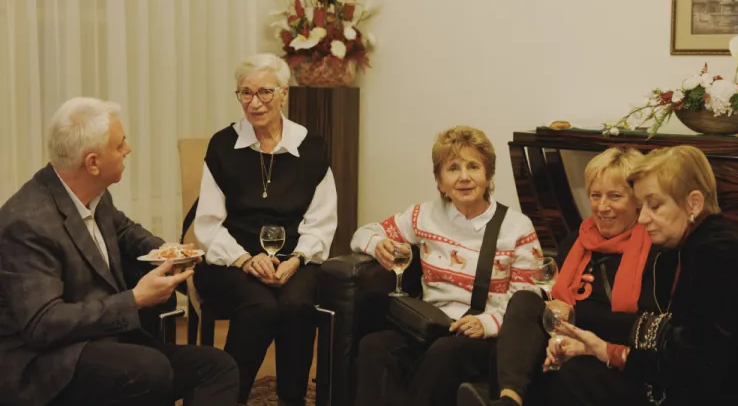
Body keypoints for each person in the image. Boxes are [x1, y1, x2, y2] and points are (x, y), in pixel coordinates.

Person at [0, 97, 239, 406]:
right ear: (92, 163)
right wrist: (135, 299)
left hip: (104, 340)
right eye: (119, 144)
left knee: (218, 367)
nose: (128, 149)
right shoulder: (27, 223)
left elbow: (125, 231)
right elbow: (43, 324)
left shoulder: (93, 194)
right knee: (149, 370)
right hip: (48, 364)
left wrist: (166, 251)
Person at [545, 145, 738, 405]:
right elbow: (676, 340)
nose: (642, 219)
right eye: (642, 207)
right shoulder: (698, 243)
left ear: (694, 203)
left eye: (655, 206)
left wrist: (608, 352)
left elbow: (695, 371)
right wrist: (599, 349)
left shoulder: (717, 253)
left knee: (573, 379)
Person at [458, 147, 679, 406]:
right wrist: (560, 336)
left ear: (637, 200)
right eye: (595, 195)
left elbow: (645, 327)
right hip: (565, 339)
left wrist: (574, 318)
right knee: (524, 302)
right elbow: (553, 303)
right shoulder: (576, 241)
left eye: (615, 196)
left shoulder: (656, 250)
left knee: (568, 373)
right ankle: (509, 400)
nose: (602, 207)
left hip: (616, 353)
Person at [351, 126, 543, 406]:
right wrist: (377, 243)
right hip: (431, 324)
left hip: (485, 334)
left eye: (473, 167)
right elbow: (362, 233)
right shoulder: (423, 215)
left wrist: (487, 323)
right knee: (375, 346)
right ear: (440, 182)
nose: (464, 177)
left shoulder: (517, 227)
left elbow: (528, 298)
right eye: (453, 168)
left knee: (446, 353)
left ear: (488, 176)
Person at [193, 53, 338, 405]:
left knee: (297, 304)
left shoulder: (311, 147)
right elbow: (208, 224)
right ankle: (226, 398)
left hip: (295, 258)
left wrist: (297, 259)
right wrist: (245, 259)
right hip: (231, 261)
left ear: (284, 93)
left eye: (265, 92)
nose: (254, 103)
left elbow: (321, 220)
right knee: (261, 307)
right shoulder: (222, 145)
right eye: (246, 93)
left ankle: (291, 398)